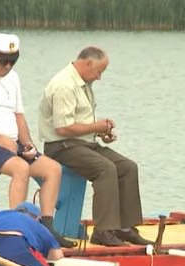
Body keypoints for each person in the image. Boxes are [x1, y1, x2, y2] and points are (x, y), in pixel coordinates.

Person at [0, 33, 75, 248]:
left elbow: (18, 115)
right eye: (3, 61)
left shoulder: (13, 77)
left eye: (13, 61)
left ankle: (47, 228)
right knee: (21, 168)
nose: (8, 66)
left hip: (9, 144)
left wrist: (27, 143)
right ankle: (16, 231)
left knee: (53, 169)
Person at [38, 46, 154, 247]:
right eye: (99, 71)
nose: (99, 77)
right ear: (88, 63)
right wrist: (96, 126)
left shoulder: (83, 82)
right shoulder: (65, 85)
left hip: (83, 143)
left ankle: (124, 227)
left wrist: (100, 132)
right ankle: (103, 231)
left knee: (127, 167)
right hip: (61, 146)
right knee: (105, 168)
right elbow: (63, 128)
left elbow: (77, 123)